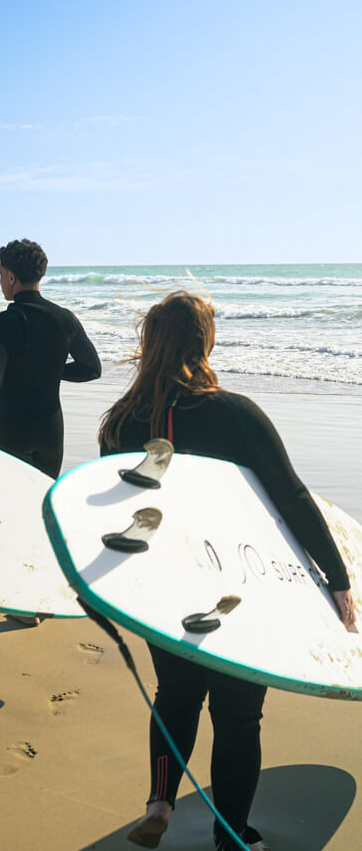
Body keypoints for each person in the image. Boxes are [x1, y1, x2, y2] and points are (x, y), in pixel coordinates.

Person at [98, 291, 355, 851]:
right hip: (234, 585)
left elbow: (116, 512)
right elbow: (291, 497)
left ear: (150, 343)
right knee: (238, 715)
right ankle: (232, 832)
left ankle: (160, 802)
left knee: (176, 693)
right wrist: (338, 579)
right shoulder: (235, 414)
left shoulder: (120, 421)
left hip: (160, 584)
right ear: (204, 341)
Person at [0, 238, 101, 480]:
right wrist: (51, 371)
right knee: (42, 496)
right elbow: (92, 369)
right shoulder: (65, 319)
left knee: (8, 499)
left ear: (11, 277)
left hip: (11, 430)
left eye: (0, 274)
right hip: (50, 431)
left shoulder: (1, 322)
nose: (0, 281)